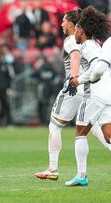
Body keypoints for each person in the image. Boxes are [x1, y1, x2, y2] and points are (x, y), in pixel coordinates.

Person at [34, 8, 110, 181]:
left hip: (78, 87)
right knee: (99, 129)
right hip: (93, 88)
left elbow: (75, 58)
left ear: (71, 24)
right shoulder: (94, 43)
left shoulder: (71, 41)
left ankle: (53, 168)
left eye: (63, 21)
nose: (61, 24)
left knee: (55, 126)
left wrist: (73, 79)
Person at [65, 6, 111, 186]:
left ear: (81, 31)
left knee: (80, 131)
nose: (74, 32)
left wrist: (79, 80)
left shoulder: (88, 46)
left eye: (76, 29)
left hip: (95, 93)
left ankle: (81, 176)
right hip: (107, 93)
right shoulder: (96, 45)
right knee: (108, 134)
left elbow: (96, 68)